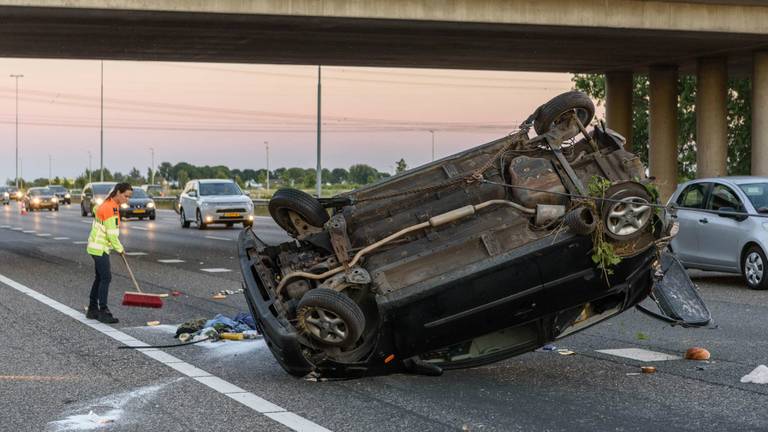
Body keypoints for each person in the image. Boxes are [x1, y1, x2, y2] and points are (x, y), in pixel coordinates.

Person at [86, 182, 132, 323]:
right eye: (125, 196)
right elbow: (112, 234)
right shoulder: (111, 208)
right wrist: (120, 249)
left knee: (100, 277)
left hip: (96, 246)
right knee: (106, 278)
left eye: (129, 197)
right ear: (118, 192)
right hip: (99, 247)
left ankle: (92, 309)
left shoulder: (107, 203)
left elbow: (95, 210)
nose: (127, 199)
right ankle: (103, 311)